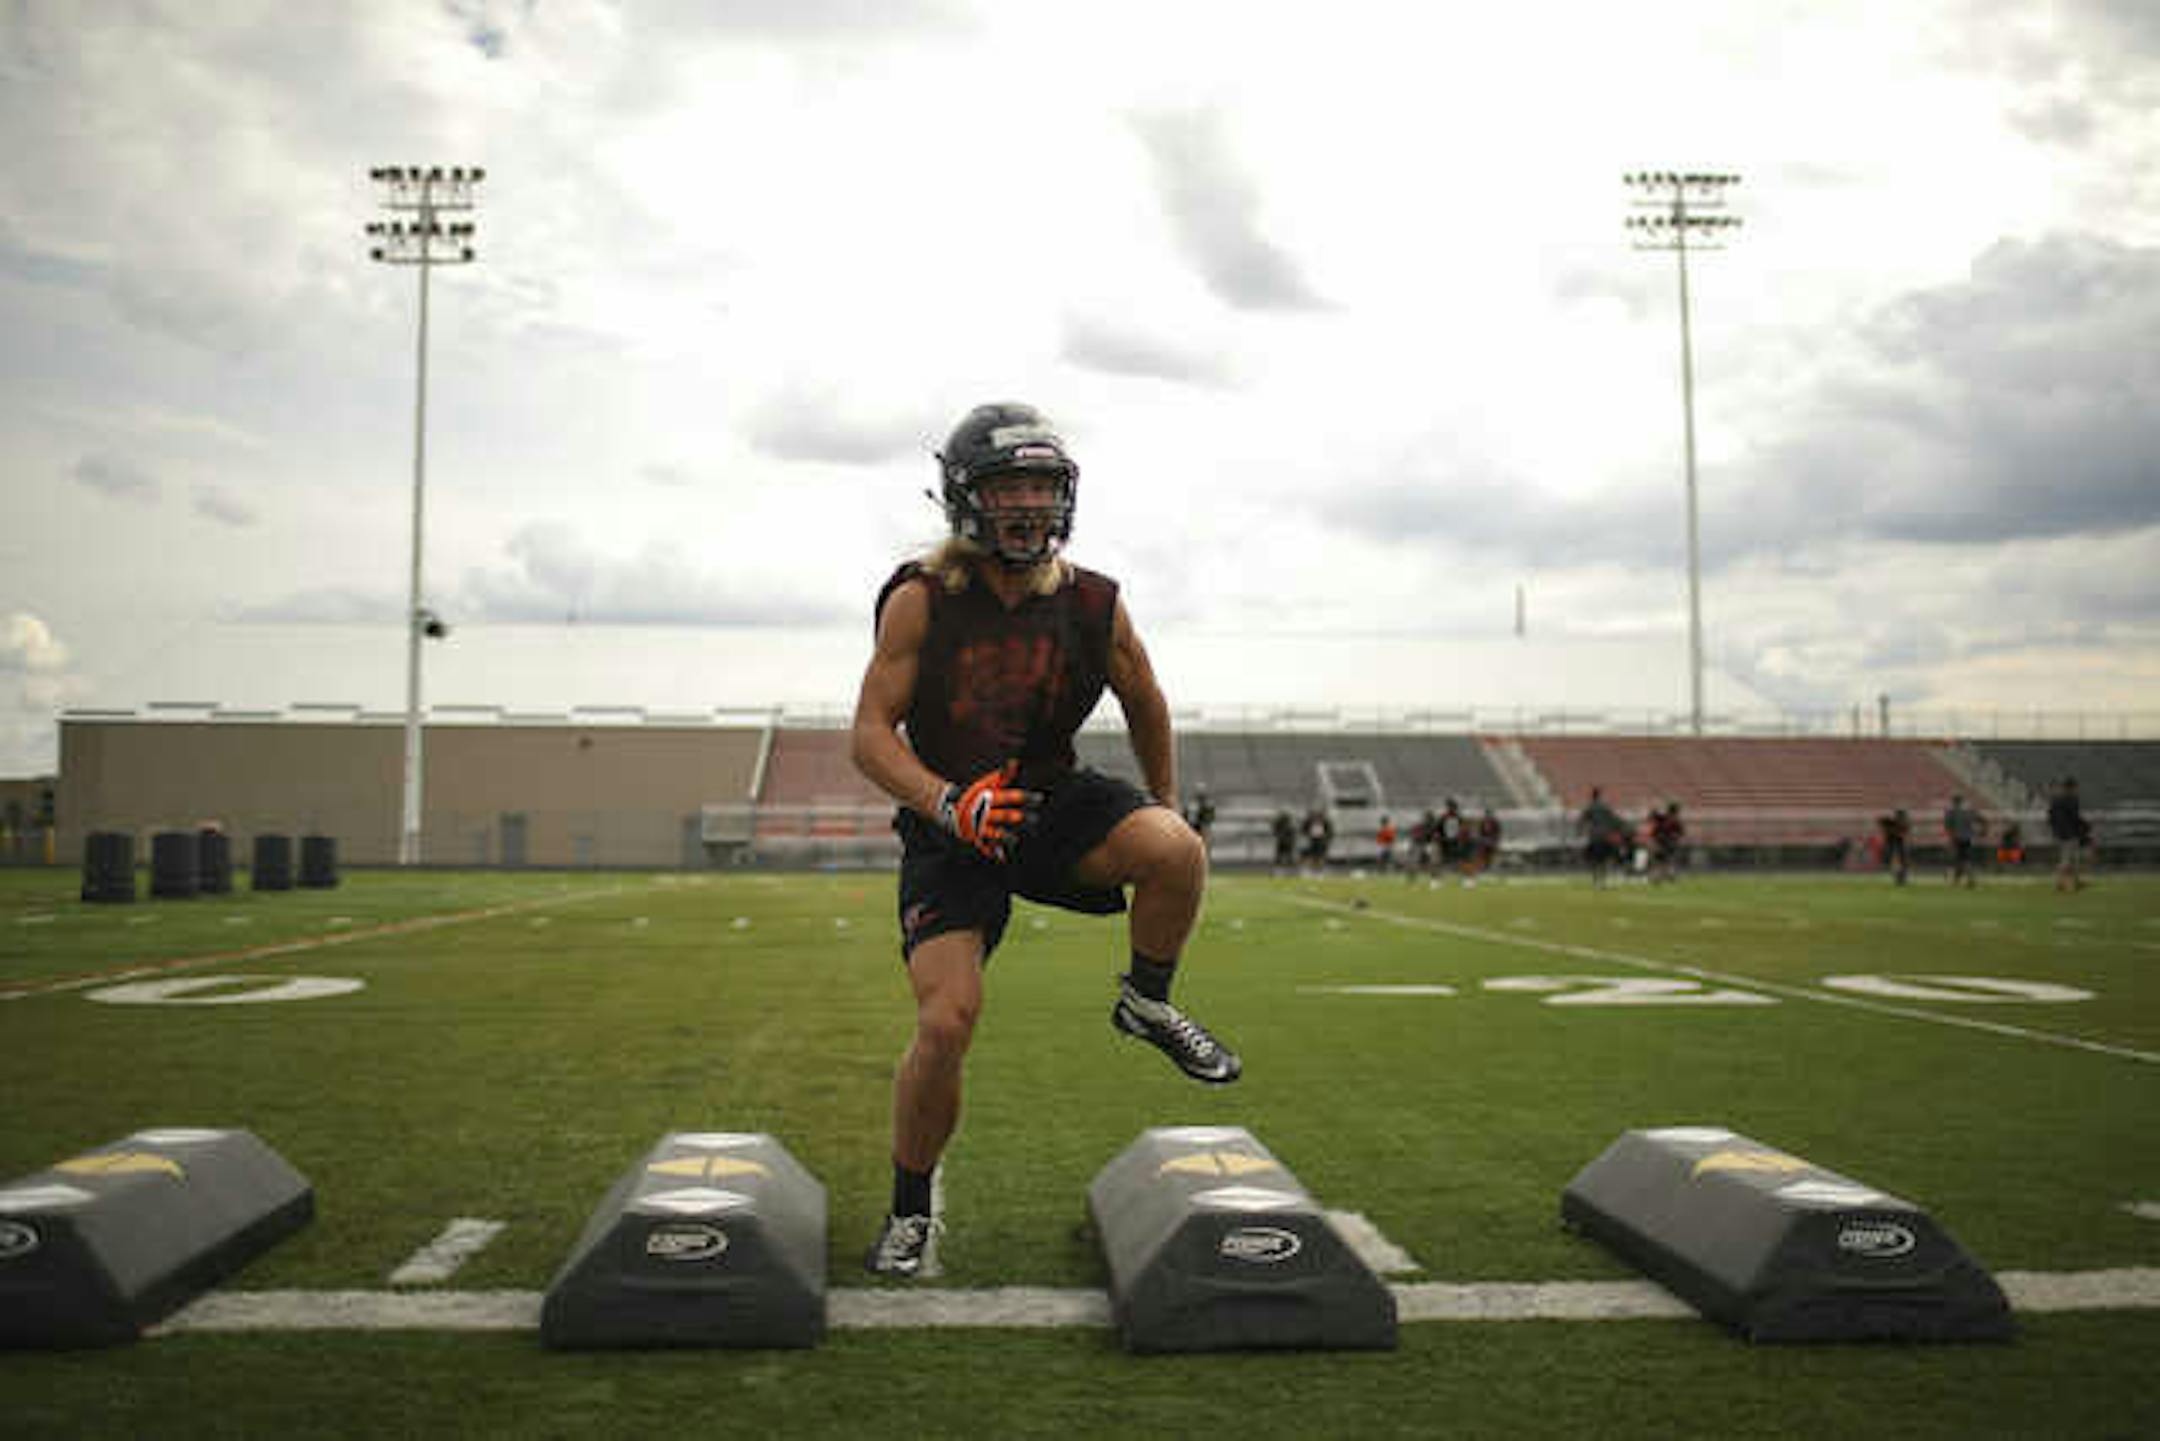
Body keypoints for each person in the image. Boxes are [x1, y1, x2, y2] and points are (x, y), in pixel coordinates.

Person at [851, 401, 1240, 1279]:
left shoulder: (1095, 601)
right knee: (946, 1022)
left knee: (1177, 850)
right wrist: (945, 802)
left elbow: (1145, 698)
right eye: (1006, 487)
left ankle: (1147, 1001)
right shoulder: (922, 597)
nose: (1026, 504)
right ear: (965, 499)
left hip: (1048, 801)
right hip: (954, 823)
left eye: (1039, 485)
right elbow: (870, 734)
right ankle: (909, 1210)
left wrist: (1166, 801)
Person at [2047, 777, 2088, 892]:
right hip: (2069, 833)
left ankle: (2075, 881)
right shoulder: (2072, 800)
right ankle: (2059, 883)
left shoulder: (2056, 800)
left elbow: (2050, 817)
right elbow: (2075, 818)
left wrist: (2054, 830)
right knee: (2068, 859)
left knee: (2072, 858)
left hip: (2059, 833)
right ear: (2072, 787)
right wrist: (2085, 827)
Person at [1579, 787, 1624, 889]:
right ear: (1600, 795)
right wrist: (1618, 831)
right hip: (1605, 836)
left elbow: (1582, 820)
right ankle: (1603, 882)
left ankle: (1596, 882)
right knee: (1604, 860)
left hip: (1594, 837)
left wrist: (1580, 832)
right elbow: (1614, 820)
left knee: (1595, 860)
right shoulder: (1606, 807)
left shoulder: (1589, 807)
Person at [1942, 795, 1985, 889]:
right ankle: (1959, 880)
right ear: (1962, 801)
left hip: (1957, 839)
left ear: (1954, 801)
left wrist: (1950, 838)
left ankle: (1968, 880)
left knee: (1960, 860)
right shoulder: (1969, 811)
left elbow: (1947, 826)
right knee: (1964, 860)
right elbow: (1981, 819)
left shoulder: (1951, 812)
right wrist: (1981, 831)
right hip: (1968, 839)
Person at [1878, 808, 1911, 886]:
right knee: (1895, 862)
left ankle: (1901, 878)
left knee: (1902, 862)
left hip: (1898, 845)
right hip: (1892, 845)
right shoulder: (1891, 823)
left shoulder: (1903, 824)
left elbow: (1902, 834)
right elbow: (1882, 823)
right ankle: (1899, 877)